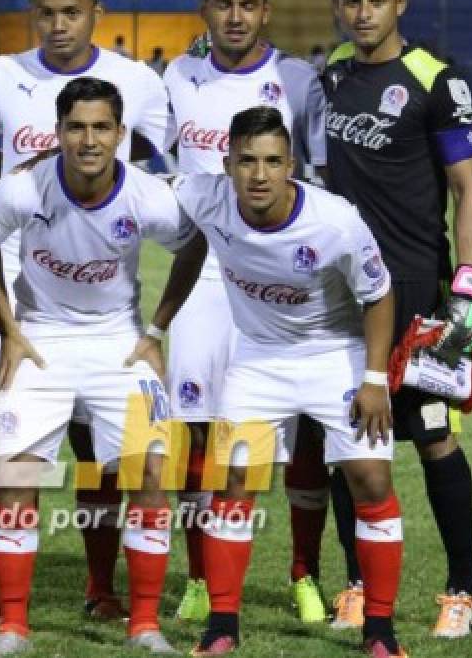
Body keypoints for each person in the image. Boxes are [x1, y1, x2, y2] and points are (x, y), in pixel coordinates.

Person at [0, 76, 207, 656]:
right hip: (42, 342)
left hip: (118, 345)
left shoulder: (149, 196)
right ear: (58, 133)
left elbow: (193, 245)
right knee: (15, 475)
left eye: (102, 127)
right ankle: (12, 628)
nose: (89, 139)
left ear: (121, 133)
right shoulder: (22, 190)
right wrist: (10, 328)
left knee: (153, 471)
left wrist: (157, 330)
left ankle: (145, 625)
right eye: (76, 127)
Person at [0, 0, 172, 620]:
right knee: (3, 458)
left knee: (110, 463)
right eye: (46, 12)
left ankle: (106, 590)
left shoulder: (136, 82)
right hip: (22, 307)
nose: (58, 25)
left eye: (71, 11)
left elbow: (158, 168)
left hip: (112, 314)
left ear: (96, 14)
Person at [172, 106, 405, 658]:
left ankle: (380, 630)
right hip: (257, 360)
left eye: (272, 161)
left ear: (291, 165)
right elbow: (126, 181)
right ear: (226, 164)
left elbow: (378, 294)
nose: (259, 174)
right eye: (247, 161)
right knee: (234, 483)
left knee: (371, 479)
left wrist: (374, 379)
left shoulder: (334, 220)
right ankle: (222, 625)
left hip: (337, 356)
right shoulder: (203, 196)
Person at [160, 0, 331, 625]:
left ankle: (303, 574)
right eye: (223, 4)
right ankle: (201, 577)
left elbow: (320, 178)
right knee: (195, 433)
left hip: (279, 280)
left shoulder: (297, 80)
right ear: (207, 9)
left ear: (265, 11)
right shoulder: (178, 76)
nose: (236, 17)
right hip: (203, 279)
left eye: (248, 5)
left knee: (300, 431)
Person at [321, 0, 472, 639]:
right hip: (334, 287)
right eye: (353, 1)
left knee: (431, 435)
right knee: (342, 433)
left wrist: (467, 284)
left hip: (414, 283)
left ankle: (461, 590)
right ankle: (356, 582)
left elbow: (469, 188)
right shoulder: (330, 72)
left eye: (376, 2)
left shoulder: (436, 81)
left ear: (401, 5)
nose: (363, 13)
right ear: (340, 6)